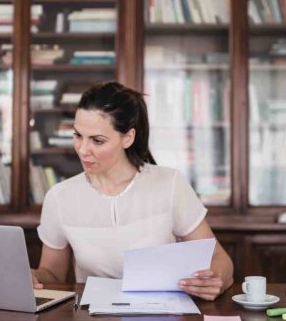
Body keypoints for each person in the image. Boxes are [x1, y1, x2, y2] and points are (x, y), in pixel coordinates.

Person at [32, 81, 234, 301]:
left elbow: (220, 260)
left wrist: (217, 280)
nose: (82, 149)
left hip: (162, 317)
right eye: (78, 135)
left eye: (97, 141)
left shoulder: (169, 184)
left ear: (127, 138)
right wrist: (34, 277)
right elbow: (52, 274)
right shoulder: (60, 197)